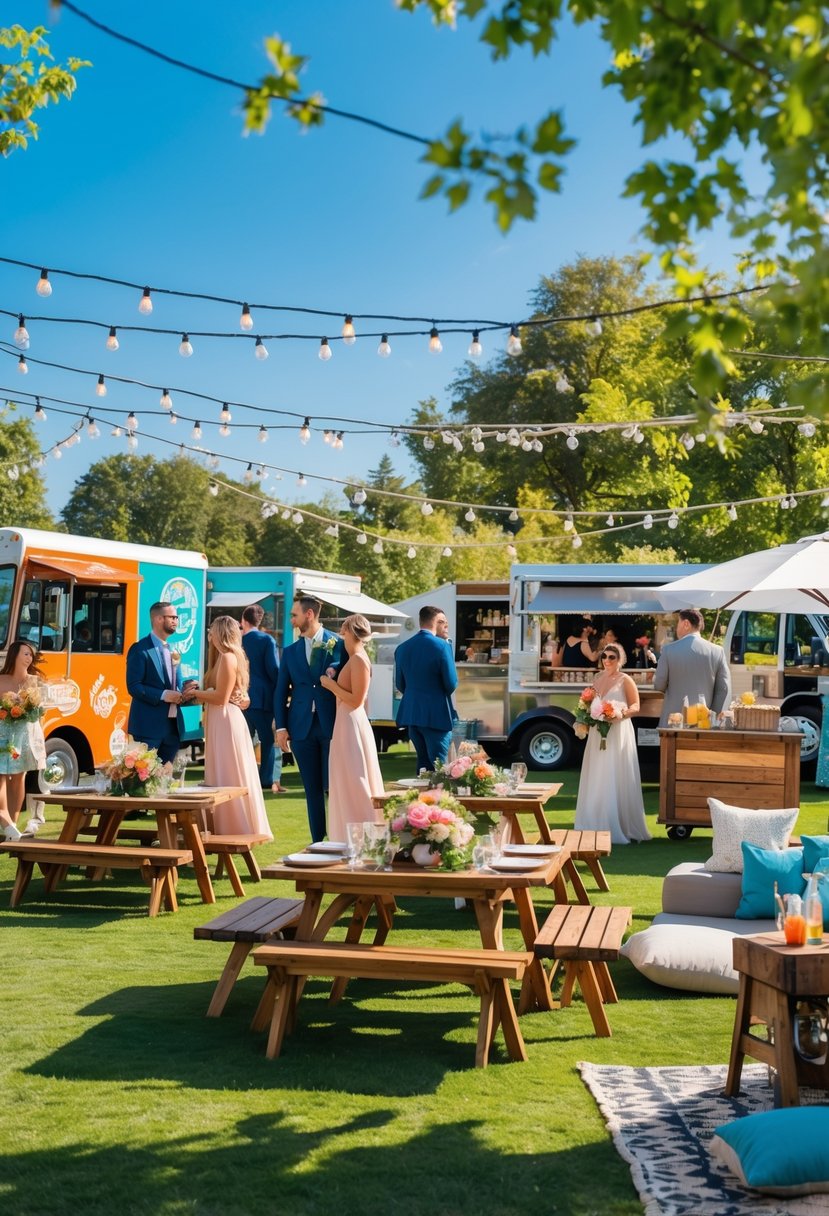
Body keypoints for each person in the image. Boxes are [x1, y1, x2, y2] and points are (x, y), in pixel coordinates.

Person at [188, 616, 272, 839]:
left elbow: (221, 698)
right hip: (220, 720)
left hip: (225, 720)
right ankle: (221, 826)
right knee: (221, 773)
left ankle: (234, 827)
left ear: (220, 633)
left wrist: (195, 693)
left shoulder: (227, 658)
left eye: (212, 631)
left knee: (228, 773)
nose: (209, 636)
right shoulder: (223, 657)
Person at [275, 596, 346, 842]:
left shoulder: (340, 644)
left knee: (334, 787)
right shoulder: (290, 651)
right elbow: (280, 691)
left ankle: (338, 838)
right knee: (312, 790)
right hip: (300, 728)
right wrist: (281, 727)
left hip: (333, 725)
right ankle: (317, 842)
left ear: (309, 615)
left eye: (294, 615)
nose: (292, 621)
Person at [575, 643, 651, 844]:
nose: (607, 661)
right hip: (597, 733)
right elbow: (588, 703)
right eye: (604, 657)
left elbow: (636, 706)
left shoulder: (626, 680)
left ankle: (618, 823)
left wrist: (620, 714)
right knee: (597, 774)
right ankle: (594, 821)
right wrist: (585, 716)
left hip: (618, 731)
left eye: (612, 657)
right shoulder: (597, 679)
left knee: (614, 772)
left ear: (620, 660)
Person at [320, 614, 384, 840]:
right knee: (347, 776)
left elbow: (356, 699)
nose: (340, 630)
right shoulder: (353, 657)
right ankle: (349, 830)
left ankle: (365, 832)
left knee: (356, 777)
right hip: (345, 720)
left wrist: (330, 685)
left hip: (351, 722)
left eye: (344, 626)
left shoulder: (358, 659)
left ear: (349, 629)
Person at [126, 602, 197, 763]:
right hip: (147, 727)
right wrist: (164, 695)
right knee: (143, 782)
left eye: (177, 617)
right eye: (172, 617)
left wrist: (188, 687)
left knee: (166, 781)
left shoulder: (174, 650)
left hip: (173, 728)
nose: (176, 621)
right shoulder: (139, 649)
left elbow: (176, 685)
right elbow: (134, 686)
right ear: (158, 619)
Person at [395, 604, 458, 774]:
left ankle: (421, 800)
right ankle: (442, 800)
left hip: (412, 714)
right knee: (441, 768)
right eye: (443, 622)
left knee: (423, 766)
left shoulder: (402, 648)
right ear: (435, 622)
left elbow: (400, 684)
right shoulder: (442, 646)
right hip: (436, 714)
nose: (446, 626)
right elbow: (451, 683)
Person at [653, 608, 731, 725]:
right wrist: (712, 714)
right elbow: (723, 688)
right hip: (704, 721)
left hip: (673, 721)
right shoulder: (717, 651)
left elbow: (659, 685)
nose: (677, 628)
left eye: (678, 623)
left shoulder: (668, 650)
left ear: (686, 624)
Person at [0, 640, 46, 841]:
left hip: (25, 736)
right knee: (1, 775)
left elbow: (38, 714)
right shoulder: (1, 679)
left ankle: (11, 829)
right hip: (2, 734)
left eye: (31, 655)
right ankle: (7, 823)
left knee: (18, 778)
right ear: (15, 655)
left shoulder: (34, 681)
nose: (30, 658)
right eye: (26, 654)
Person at [240, 603, 284, 793]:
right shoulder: (267, 640)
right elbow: (273, 670)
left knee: (243, 739)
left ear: (243, 620)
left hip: (241, 695)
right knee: (267, 738)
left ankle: (243, 775)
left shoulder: (237, 641)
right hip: (262, 697)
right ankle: (266, 779)